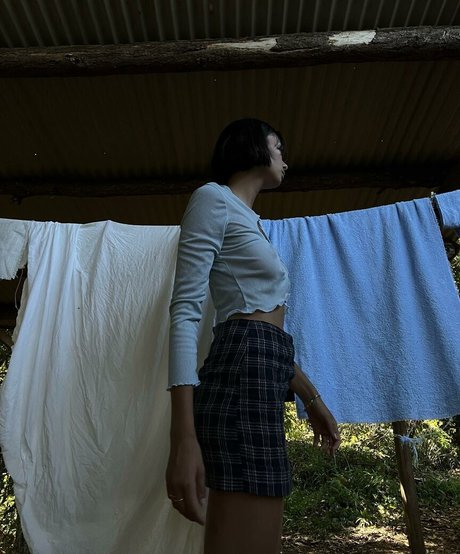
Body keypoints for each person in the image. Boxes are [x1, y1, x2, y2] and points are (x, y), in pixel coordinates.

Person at [166, 118, 340, 554]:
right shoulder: (212, 199)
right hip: (243, 373)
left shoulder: (253, 221)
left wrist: (312, 398)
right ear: (252, 147)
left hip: (263, 370)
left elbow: (265, 332)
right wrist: (182, 438)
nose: (285, 160)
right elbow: (186, 313)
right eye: (278, 147)